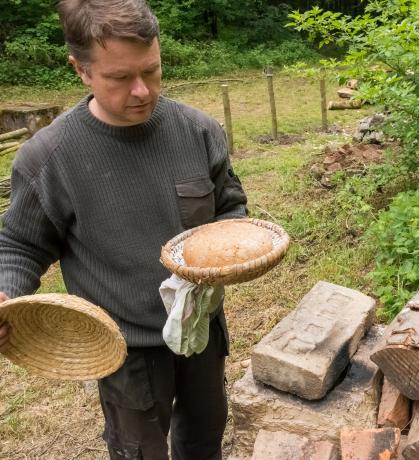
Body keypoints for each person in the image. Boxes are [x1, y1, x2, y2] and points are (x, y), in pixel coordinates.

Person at [0, 0, 248, 458]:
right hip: (126, 349)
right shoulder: (49, 159)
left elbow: (230, 210)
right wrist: (5, 293)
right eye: (120, 78)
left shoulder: (198, 132)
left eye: (151, 71)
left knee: (203, 442)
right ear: (81, 70)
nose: (142, 91)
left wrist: (236, 246)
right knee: (139, 452)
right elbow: (18, 244)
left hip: (201, 330)